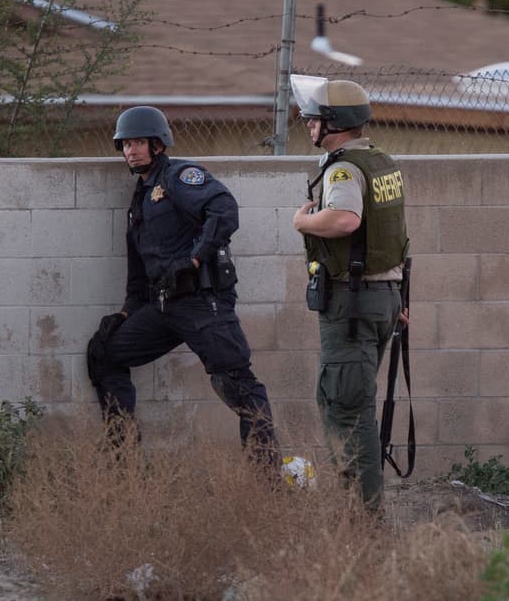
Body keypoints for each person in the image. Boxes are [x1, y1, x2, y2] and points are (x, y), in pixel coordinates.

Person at [86, 105, 279, 466]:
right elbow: (139, 269)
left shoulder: (179, 177)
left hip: (202, 303)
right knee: (104, 353)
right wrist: (128, 311)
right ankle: (123, 457)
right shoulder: (140, 198)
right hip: (163, 307)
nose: (131, 150)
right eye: (126, 144)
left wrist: (194, 259)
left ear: (158, 144)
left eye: (139, 142)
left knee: (237, 384)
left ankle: (266, 480)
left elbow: (224, 209)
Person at [290, 76, 409, 512]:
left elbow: (345, 221)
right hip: (383, 298)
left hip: (353, 304)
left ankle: (364, 524)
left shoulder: (343, 169)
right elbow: (392, 235)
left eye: (314, 119)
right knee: (348, 404)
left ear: (333, 124)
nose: (308, 125)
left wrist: (302, 222)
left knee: (346, 413)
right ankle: (361, 514)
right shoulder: (383, 162)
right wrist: (399, 300)